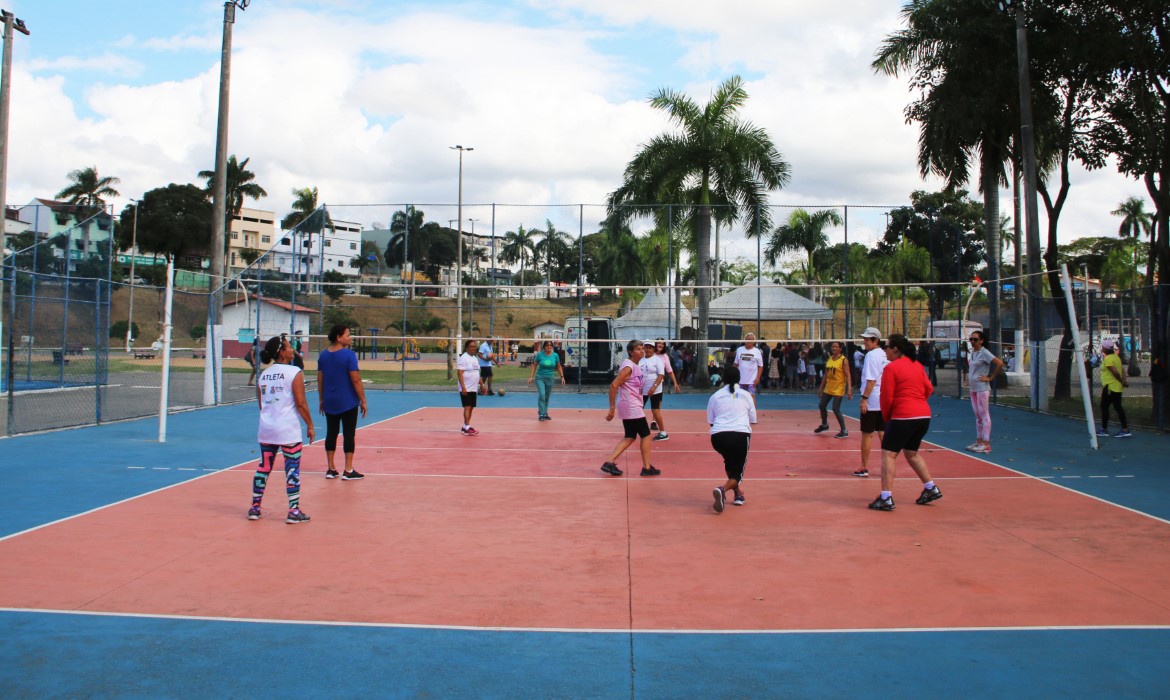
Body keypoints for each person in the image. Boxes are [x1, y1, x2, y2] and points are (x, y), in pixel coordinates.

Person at [868, 333, 942, 511]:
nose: (884, 350)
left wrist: (887, 417)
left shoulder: (891, 368)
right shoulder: (917, 365)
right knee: (911, 453)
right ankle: (930, 487)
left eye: (886, 347)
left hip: (903, 417)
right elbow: (929, 388)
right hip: (923, 416)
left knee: (888, 454)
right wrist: (918, 402)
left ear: (895, 349)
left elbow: (886, 397)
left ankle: (886, 497)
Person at [249, 335, 315, 523]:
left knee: (264, 467)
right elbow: (301, 403)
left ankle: (255, 507)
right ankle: (293, 510)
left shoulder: (264, 374)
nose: (292, 349)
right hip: (287, 430)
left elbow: (262, 404)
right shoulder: (294, 372)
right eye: (288, 347)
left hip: (267, 429)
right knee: (292, 469)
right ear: (282, 353)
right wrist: (310, 425)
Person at [600, 339, 659, 477]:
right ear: (631, 352)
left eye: (642, 348)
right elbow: (614, 385)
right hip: (631, 405)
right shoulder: (629, 367)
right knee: (646, 434)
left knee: (630, 436)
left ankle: (610, 462)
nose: (642, 351)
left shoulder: (635, 366)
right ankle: (646, 467)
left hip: (632, 404)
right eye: (638, 349)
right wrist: (612, 409)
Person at [317, 323, 368, 480]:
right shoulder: (349, 355)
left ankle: (331, 468)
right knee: (348, 434)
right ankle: (348, 469)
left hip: (330, 400)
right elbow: (355, 378)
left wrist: (321, 399)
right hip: (347, 401)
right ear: (339, 338)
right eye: (347, 335)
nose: (350, 338)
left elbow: (320, 379)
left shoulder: (323, 355)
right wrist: (363, 400)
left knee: (331, 432)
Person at [707, 365, 757, 513]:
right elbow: (753, 419)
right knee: (737, 473)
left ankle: (738, 493)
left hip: (718, 437)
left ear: (723, 378)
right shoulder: (746, 395)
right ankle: (722, 490)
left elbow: (711, 420)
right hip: (740, 435)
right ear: (739, 378)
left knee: (730, 463)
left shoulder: (715, 396)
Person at [855, 327, 887, 478]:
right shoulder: (886, 354)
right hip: (884, 398)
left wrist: (864, 399)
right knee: (883, 432)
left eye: (867, 340)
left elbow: (871, 380)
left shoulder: (871, 356)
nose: (865, 342)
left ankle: (864, 467)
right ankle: (888, 465)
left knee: (867, 434)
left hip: (873, 398)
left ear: (876, 341)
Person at [966, 330, 1004, 453]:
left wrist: (990, 377)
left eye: (975, 339)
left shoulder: (984, 352)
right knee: (977, 415)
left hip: (982, 388)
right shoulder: (973, 353)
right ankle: (979, 441)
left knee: (984, 415)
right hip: (973, 388)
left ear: (981, 341)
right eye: (971, 339)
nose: (972, 342)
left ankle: (986, 443)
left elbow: (999, 363)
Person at [644, 339, 680, 439]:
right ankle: (644, 426)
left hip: (657, 386)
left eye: (662, 343)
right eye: (659, 343)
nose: (660, 344)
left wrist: (675, 383)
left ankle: (655, 423)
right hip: (643, 388)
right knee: (639, 407)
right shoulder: (644, 357)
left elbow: (669, 371)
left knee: (656, 408)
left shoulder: (663, 357)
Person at [815, 340, 852, 438]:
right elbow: (826, 375)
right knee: (822, 405)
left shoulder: (844, 360)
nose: (834, 348)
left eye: (836, 347)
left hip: (839, 388)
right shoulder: (830, 359)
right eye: (832, 347)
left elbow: (848, 375)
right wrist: (821, 388)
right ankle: (824, 425)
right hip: (829, 387)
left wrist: (849, 389)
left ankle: (844, 430)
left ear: (840, 349)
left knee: (835, 408)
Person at [1097, 338, 1131, 438]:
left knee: (1104, 407)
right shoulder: (1116, 358)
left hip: (1110, 387)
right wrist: (1123, 381)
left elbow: (1115, 372)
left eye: (1102, 346)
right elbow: (1122, 371)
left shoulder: (1108, 359)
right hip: (1116, 387)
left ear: (1104, 348)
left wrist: (1122, 381)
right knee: (1117, 407)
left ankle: (1104, 429)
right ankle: (1125, 429)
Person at [527, 339, 565, 421]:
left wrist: (562, 377)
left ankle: (545, 413)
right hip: (540, 378)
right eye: (547, 345)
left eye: (550, 345)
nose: (549, 347)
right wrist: (531, 377)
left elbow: (558, 366)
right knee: (542, 395)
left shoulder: (555, 355)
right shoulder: (540, 355)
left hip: (550, 378)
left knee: (547, 396)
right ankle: (541, 413)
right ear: (544, 347)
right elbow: (534, 366)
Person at [457, 339, 482, 435]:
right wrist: (463, 387)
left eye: (474, 347)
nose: (473, 348)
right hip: (466, 387)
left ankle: (465, 426)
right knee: (467, 406)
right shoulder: (464, 358)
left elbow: (476, 372)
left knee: (471, 407)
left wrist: (482, 385)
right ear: (467, 347)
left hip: (473, 388)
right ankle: (467, 427)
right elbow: (460, 373)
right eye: (471, 346)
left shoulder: (474, 358)